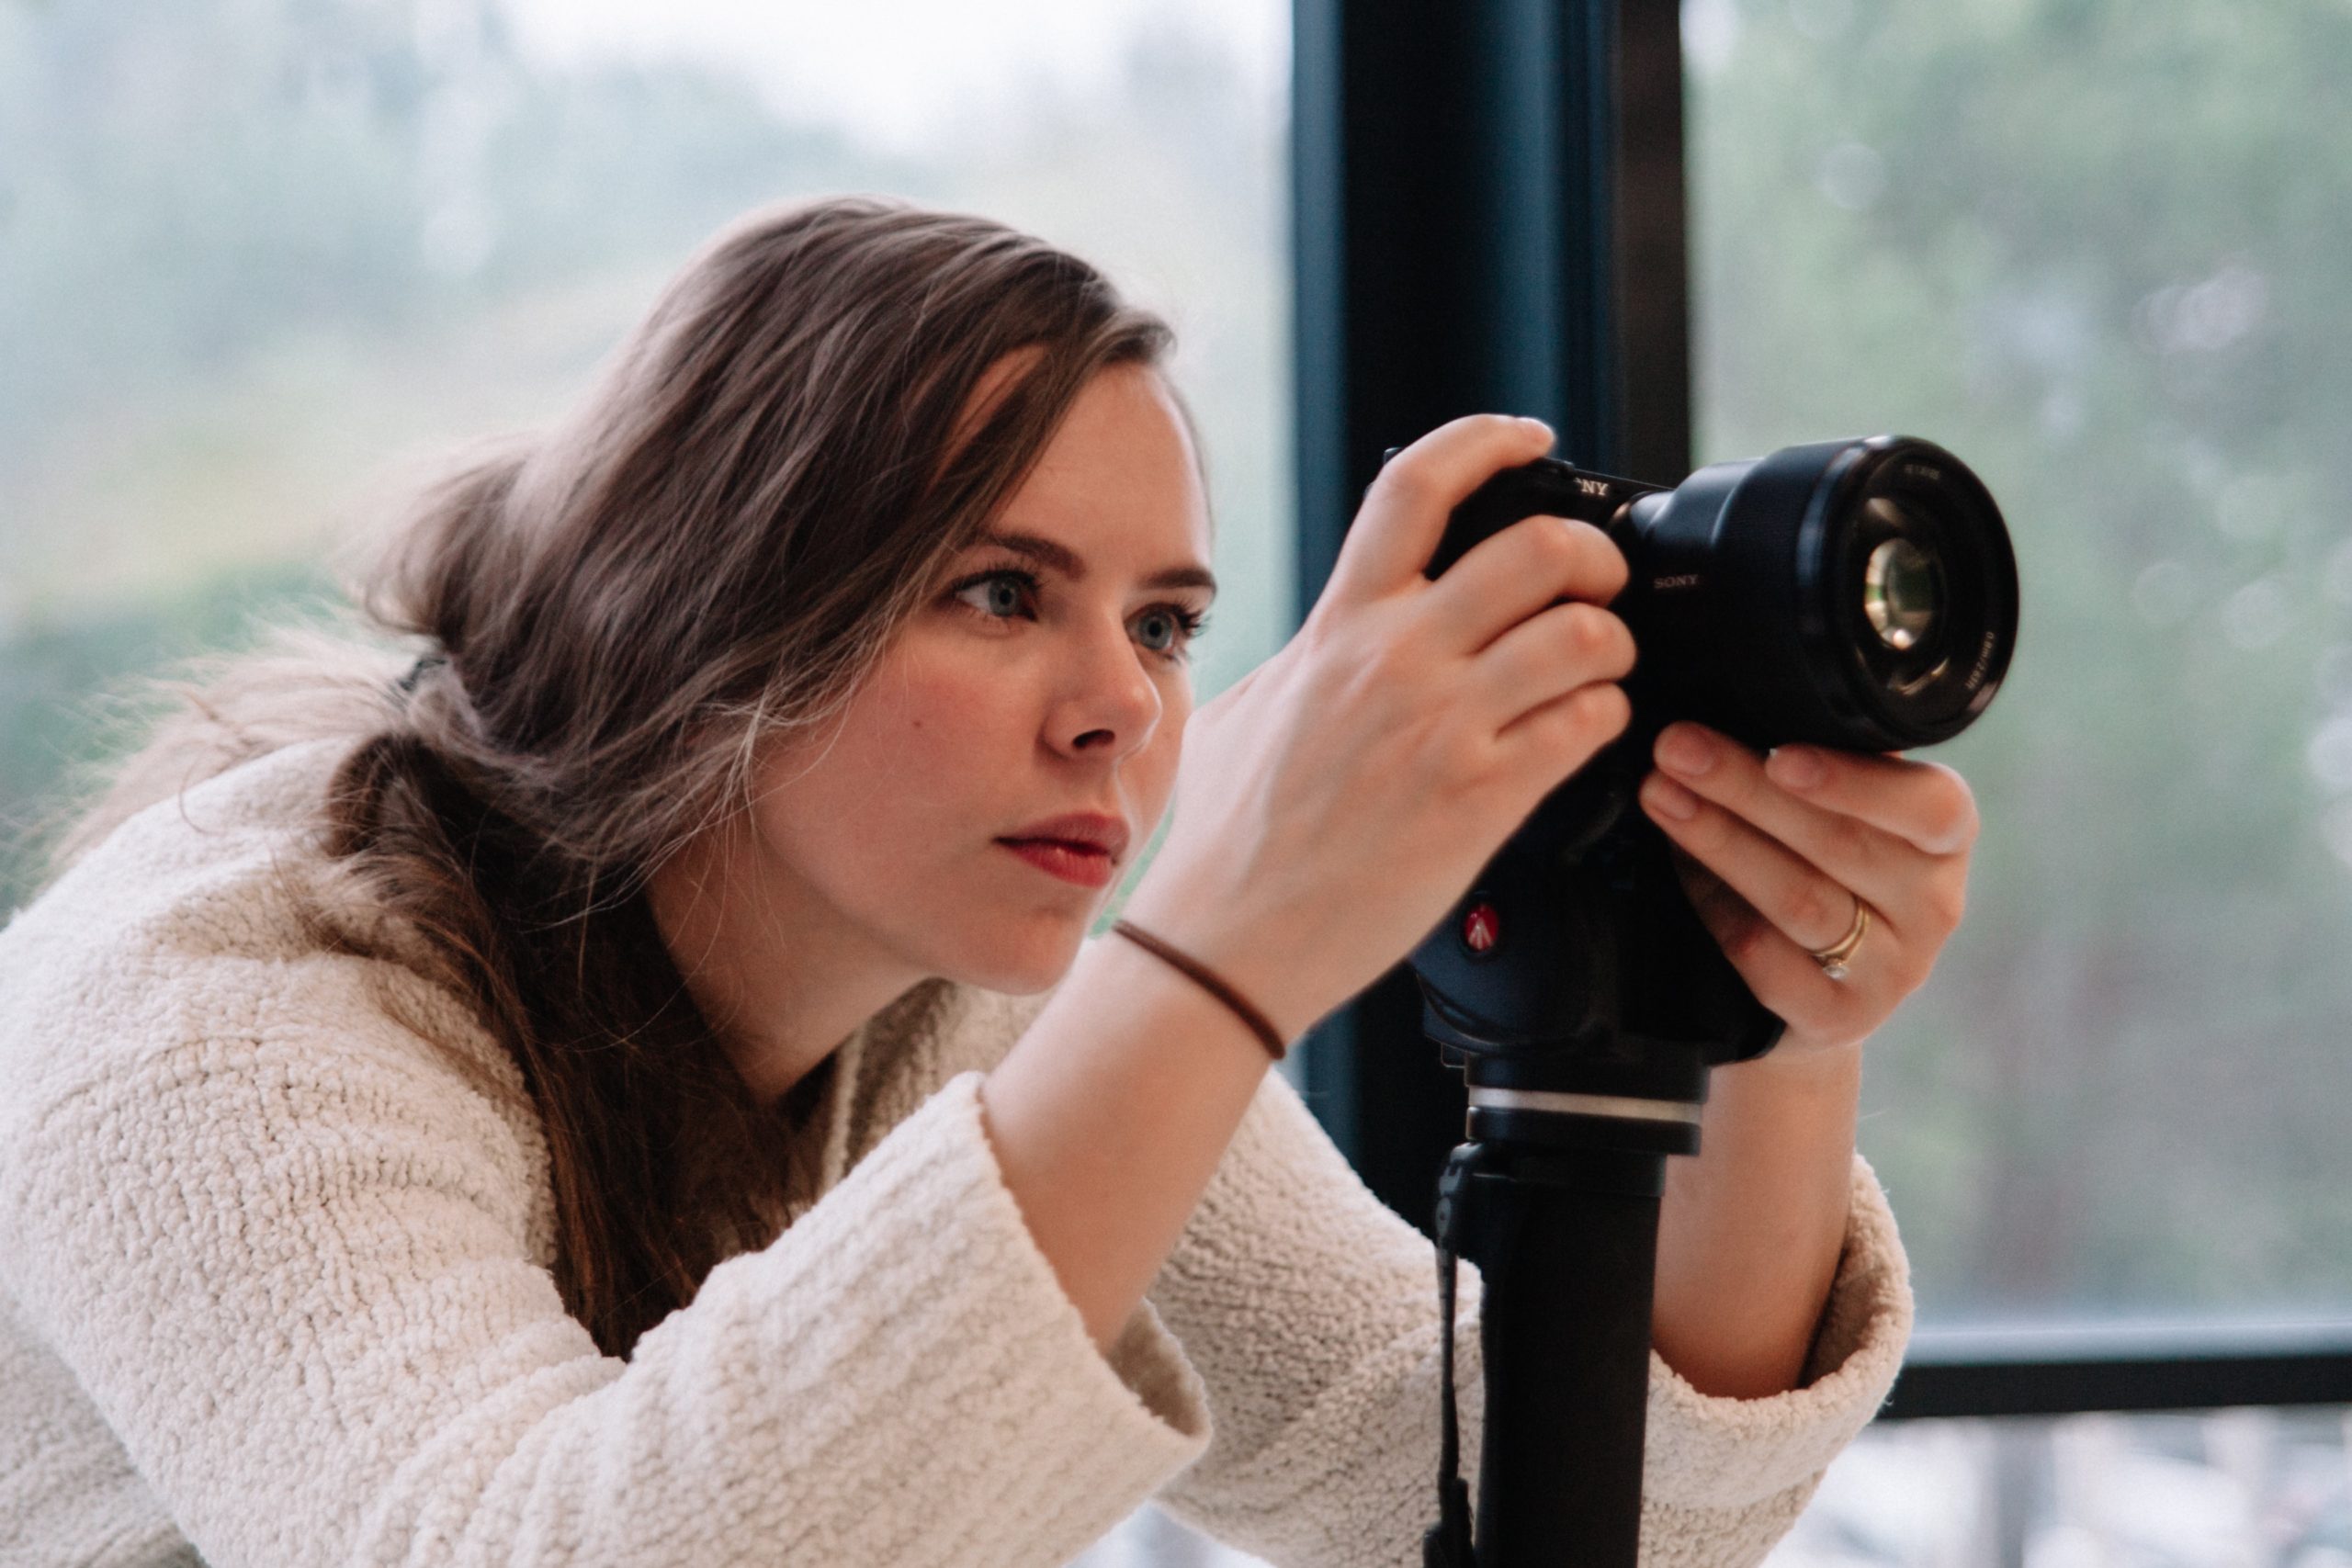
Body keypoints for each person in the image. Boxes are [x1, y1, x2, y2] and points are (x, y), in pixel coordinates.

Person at [0, 196, 1970, 1568]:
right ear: (710, 609)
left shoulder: (954, 982)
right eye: (999, 590)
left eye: (1170, 619)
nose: (1119, 705)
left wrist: (1763, 1009)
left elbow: (1503, 1490)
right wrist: (1219, 945)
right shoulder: (222, 997)